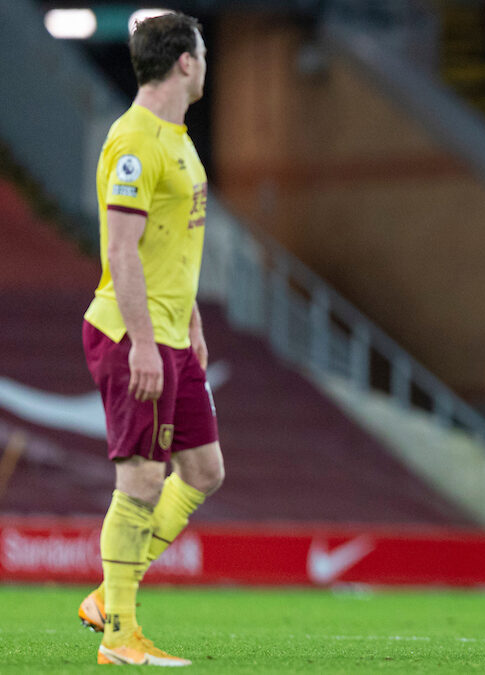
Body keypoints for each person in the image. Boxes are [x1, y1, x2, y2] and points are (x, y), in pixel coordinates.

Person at [78, 12, 223, 666]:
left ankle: (106, 593)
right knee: (139, 480)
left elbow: (174, 245)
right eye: (202, 52)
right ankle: (118, 634)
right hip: (132, 332)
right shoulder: (136, 142)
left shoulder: (179, 139)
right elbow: (122, 249)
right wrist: (142, 343)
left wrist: (189, 324)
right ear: (185, 64)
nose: (206, 62)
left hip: (171, 329)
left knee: (203, 471)